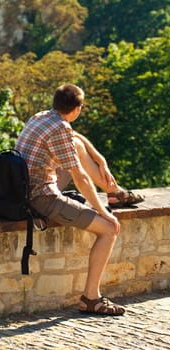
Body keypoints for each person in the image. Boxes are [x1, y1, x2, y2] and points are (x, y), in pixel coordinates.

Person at [15, 83, 144, 316]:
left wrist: (100, 158)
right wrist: (104, 213)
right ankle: (91, 298)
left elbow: (75, 137)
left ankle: (114, 192)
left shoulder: (43, 117)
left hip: (26, 188)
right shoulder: (60, 128)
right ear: (77, 109)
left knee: (76, 146)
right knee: (108, 229)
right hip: (41, 198)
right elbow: (81, 180)